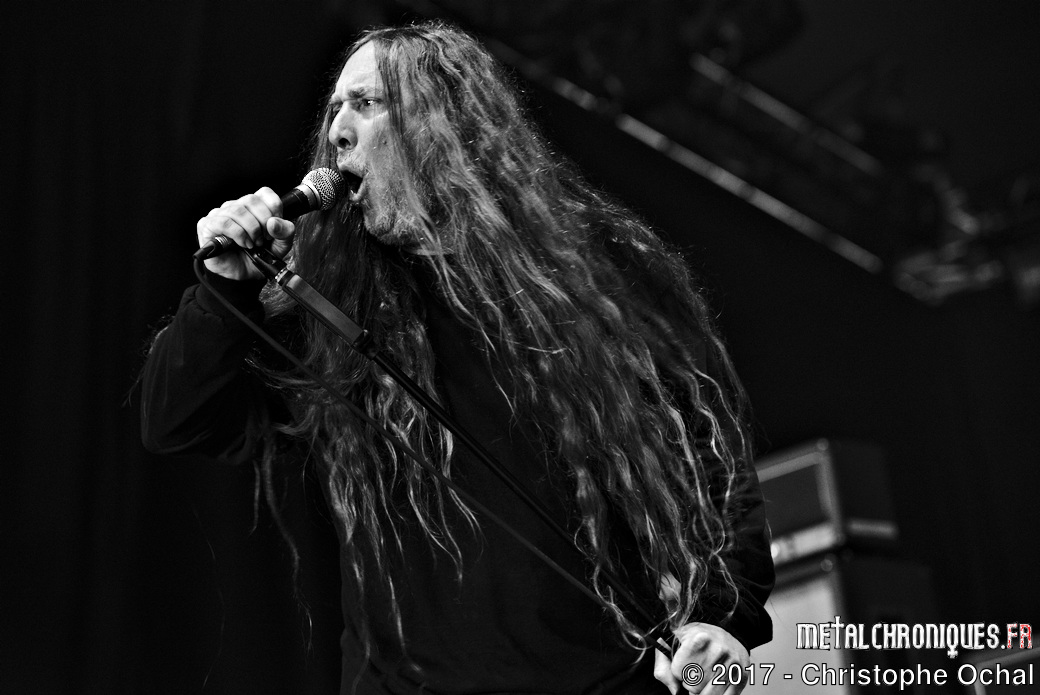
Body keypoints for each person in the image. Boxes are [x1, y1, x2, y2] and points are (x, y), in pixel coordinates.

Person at [141, 20, 773, 695]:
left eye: (367, 103)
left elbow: (711, 458)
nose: (338, 130)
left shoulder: (596, 282)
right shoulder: (325, 314)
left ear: (444, 125)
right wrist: (223, 289)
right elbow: (175, 418)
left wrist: (722, 616)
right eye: (334, 110)